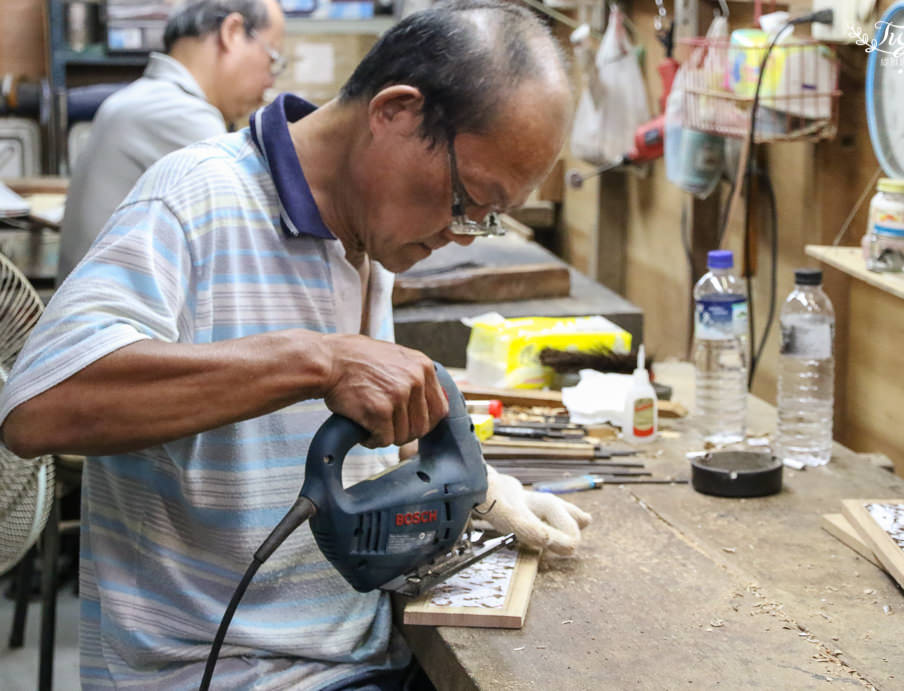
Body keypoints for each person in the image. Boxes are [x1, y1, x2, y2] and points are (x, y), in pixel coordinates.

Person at [1, 1, 589, 688]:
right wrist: (317, 360)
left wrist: (478, 484)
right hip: (226, 673)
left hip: (361, 655)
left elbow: (355, 434)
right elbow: (39, 405)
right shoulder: (194, 199)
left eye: (487, 220)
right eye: (468, 201)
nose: (462, 233)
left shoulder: (367, 233)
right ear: (395, 114)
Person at [57, 0, 286, 285]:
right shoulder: (181, 115)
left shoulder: (144, 99)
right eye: (272, 58)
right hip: (117, 323)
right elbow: (259, 234)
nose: (270, 81)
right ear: (233, 32)